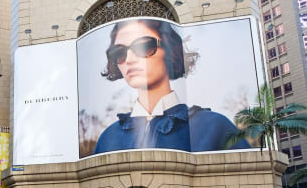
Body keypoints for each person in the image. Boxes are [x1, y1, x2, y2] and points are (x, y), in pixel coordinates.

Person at [92, 19, 249, 155]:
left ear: (169, 50)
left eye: (144, 46)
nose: (129, 59)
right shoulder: (108, 138)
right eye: (119, 53)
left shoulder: (215, 127)